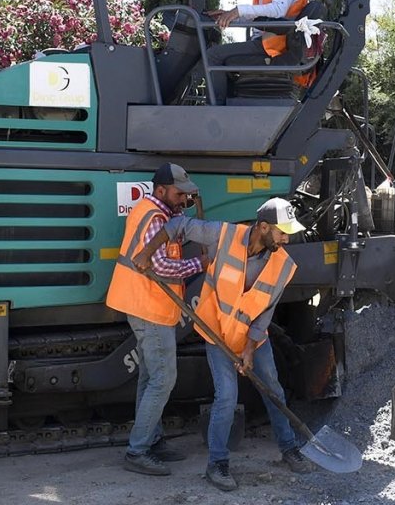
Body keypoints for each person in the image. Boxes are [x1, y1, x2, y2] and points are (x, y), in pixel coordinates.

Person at [131, 197, 315, 491]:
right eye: (282, 232)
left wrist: (249, 350)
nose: (286, 239)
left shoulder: (282, 265)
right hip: (216, 333)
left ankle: (289, 447)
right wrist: (147, 252)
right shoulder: (225, 235)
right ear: (264, 227)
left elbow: (265, 313)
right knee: (226, 397)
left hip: (253, 339)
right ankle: (217, 464)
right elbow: (179, 224)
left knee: (274, 389)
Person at [105, 163, 208, 476]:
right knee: (163, 379)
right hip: (148, 306)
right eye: (179, 193)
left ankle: (151, 439)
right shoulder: (154, 217)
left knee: (150, 377)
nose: (183, 199)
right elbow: (161, 267)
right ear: (161, 190)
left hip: (146, 304)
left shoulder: (157, 211)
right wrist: (200, 263)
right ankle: (137, 451)